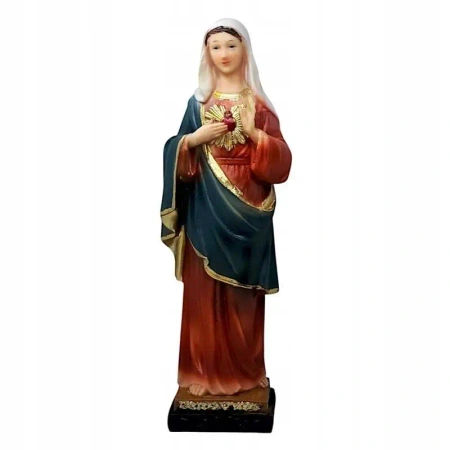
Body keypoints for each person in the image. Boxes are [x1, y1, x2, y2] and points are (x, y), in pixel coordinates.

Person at [160, 18, 292, 397]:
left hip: (249, 206)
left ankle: (247, 373)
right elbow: (175, 153)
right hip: (205, 205)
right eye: (215, 46)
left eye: (231, 45)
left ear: (245, 50)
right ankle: (202, 372)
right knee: (204, 293)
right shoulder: (198, 105)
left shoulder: (259, 105)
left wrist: (255, 135)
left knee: (243, 297)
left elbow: (281, 163)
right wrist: (192, 140)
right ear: (206, 53)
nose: (223, 54)